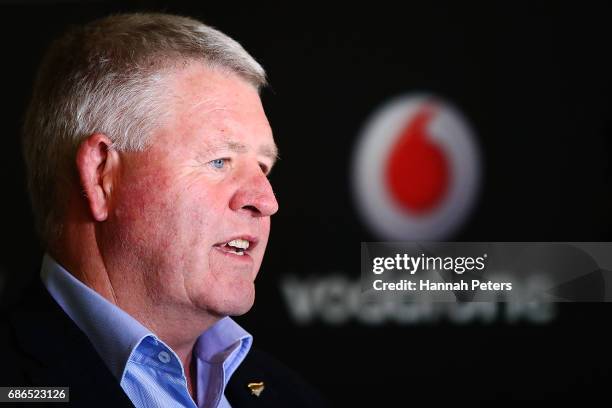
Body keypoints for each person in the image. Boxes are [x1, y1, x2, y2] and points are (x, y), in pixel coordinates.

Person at [2, 12, 327, 408]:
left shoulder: (291, 396)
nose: (265, 200)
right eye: (220, 161)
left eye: (263, 167)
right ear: (101, 176)